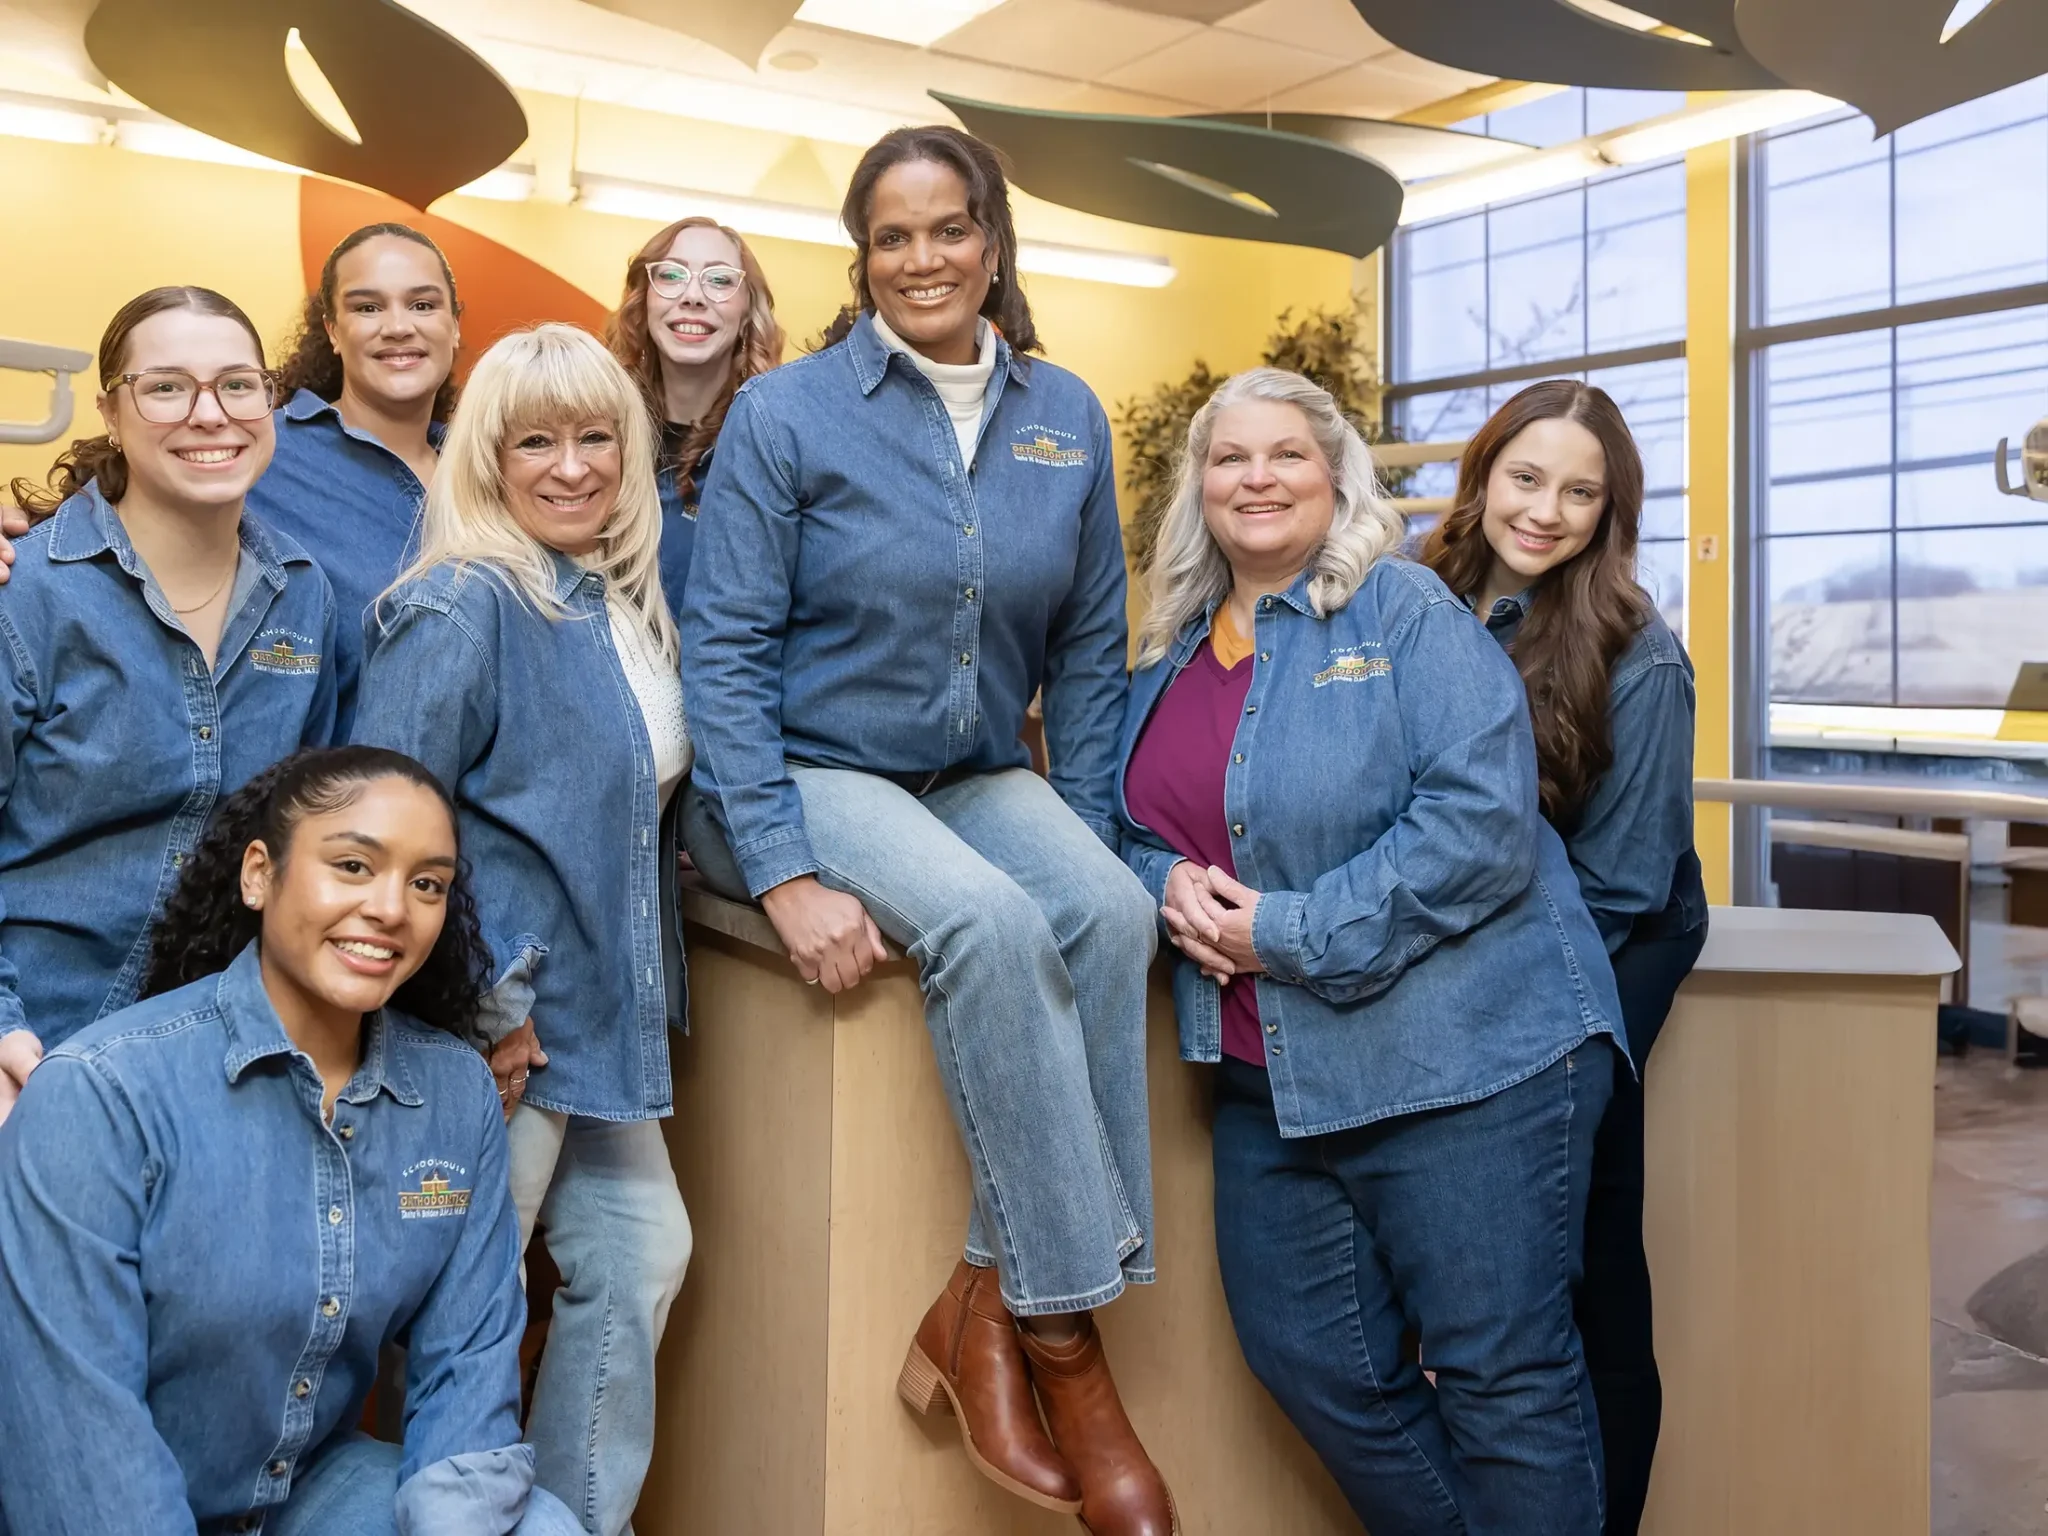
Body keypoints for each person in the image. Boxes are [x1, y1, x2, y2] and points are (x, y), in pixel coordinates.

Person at [680, 124, 1174, 1536]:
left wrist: (1085, 832)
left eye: (947, 229)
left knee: (1109, 911)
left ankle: (978, 1302)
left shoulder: (1063, 414)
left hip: (971, 771)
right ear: (862, 259)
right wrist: (778, 868)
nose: (921, 259)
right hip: (808, 766)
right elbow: (724, 652)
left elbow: (1087, 652)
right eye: (889, 237)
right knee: (989, 924)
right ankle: (1065, 1346)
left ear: (992, 243)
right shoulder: (787, 414)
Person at [1118, 367, 1627, 1536]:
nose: (1256, 478)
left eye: (1286, 454)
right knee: (1315, 1361)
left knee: (1503, 1382)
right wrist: (1162, 884)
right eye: (1229, 457)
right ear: (1198, 485)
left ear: (1334, 476)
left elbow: (1479, 823)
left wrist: (1284, 931)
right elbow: (1122, 826)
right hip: (1272, 1087)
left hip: (1466, 1064)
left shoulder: (1402, 611)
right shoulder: (1166, 652)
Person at [0, 746, 581, 1536]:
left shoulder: (455, 1094)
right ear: (258, 875)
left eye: (427, 884)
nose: (391, 909)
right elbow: (81, 1451)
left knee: (539, 1526)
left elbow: (467, 1382)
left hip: (307, 1494)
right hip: (116, 1502)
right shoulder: (98, 1094)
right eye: (352, 866)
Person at [352, 323, 693, 1536]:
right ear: (486, 459)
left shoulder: (615, 601)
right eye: (534, 442)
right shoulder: (460, 604)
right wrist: (481, 1005)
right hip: (499, 1026)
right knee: (464, 1312)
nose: (571, 466)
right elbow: (381, 835)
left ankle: (568, 1522)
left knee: (641, 1255)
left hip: (598, 1027)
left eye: (595, 437)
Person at [1419, 379, 1707, 1536]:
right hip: (1478, 925)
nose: (1544, 511)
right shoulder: (1415, 598)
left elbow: (1620, 888)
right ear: (1482, 475)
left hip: (1607, 946)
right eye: (1525, 478)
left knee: (1583, 1241)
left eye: (1579, 493)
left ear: (1609, 511)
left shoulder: (1641, 659)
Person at [0, 286, 337, 1123]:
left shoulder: (302, 596)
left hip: (215, 1062)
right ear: (112, 413)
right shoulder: (29, 593)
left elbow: (306, 835)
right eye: (166, 387)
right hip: (35, 1048)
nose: (209, 413)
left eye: (237, 384)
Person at [249, 222, 462, 732]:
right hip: (333, 777)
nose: (398, 326)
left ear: (455, 324)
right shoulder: (263, 453)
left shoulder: (492, 467)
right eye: (368, 308)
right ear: (332, 330)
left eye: (423, 304)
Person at [604, 214, 784, 622]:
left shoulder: (773, 451)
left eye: (719, 280)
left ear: (747, 312)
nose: (693, 296)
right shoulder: (598, 437)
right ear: (643, 300)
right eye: (671, 275)